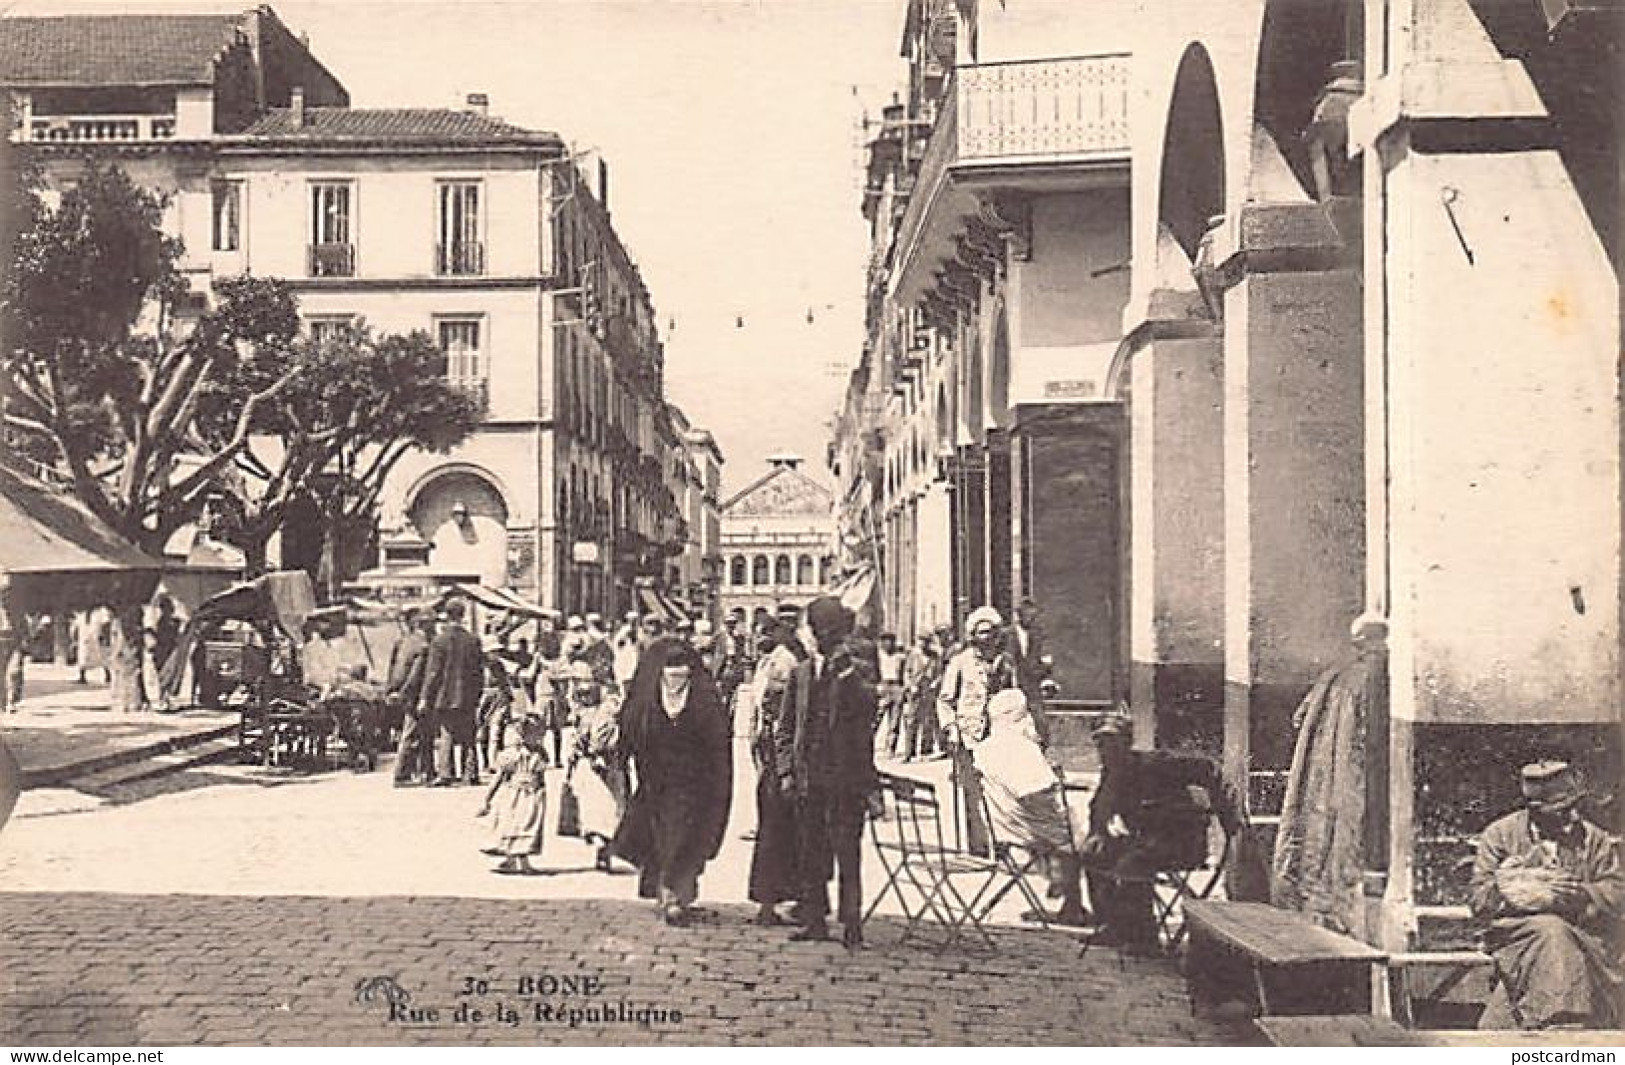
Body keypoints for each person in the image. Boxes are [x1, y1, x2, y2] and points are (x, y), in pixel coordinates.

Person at [1470, 761, 1623, 1030]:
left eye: (1572, 807)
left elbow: (1617, 891)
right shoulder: (1500, 835)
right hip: (1516, 933)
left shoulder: (1592, 838)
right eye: (1560, 811)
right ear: (1534, 809)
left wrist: (1583, 894)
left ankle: (1545, 1024)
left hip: (1582, 933)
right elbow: (1478, 901)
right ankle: (1562, 1023)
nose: (1571, 817)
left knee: (1557, 937)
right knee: (1551, 930)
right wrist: (1507, 887)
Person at [1272, 613, 1389, 935]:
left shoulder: (1339, 676)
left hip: (1335, 775)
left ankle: (1321, 901)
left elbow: (1301, 718)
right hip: (1351, 771)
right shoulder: (1363, 678)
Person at [1083, 715, 1234, 955]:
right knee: (1093, 855)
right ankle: (1113, 926)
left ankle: (1145, 939)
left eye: (1113, 742)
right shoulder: (1111, 774)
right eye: (1100, 744)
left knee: (1132, 864)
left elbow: (1208, 768)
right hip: (1144, 841)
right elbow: (1098, 810)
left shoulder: (1156, 764)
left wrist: (1223, 810)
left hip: (1179, 841)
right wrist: (1098, 834)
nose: (1106, 750)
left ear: (1127, 742)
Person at [611, 638, 733, 925]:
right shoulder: (646, 701)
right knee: (664, 837)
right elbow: (627, 735)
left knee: (687, 837)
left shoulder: (704, 699)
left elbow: (718, 745)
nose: (676, 677)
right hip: (656, 783)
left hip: (694, 784)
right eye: (670, 670)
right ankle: (669, 894)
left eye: (682, 670)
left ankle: (680, 893)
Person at [784, 597, 879, 949]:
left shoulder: (854, 671)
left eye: (811, 628)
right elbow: (787, 726)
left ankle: (852, 923)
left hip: (845, 781)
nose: (807, 635)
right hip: (810, 778)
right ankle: (814, 920)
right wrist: (786, 771)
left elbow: (867, 721)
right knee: (810, 851)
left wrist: (851, 677)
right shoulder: (802, 672)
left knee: (847, 854)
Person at [970, 689, 1091, 926]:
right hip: (1027, 826)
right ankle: (1075, 905)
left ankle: (1061, 885)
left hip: (1002, 823)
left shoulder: (985, 748)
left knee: (1073, 828)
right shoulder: (1022, 749)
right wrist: (1062, 809)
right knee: (1090, 835)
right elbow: (1036, 795)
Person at [746, 611, 808, 923]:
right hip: (776, 751)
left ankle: (784, 899)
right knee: (778, 825)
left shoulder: (784, 659)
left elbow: (777, 703)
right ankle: (773, 901)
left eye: (762, 631)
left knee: (783, 827)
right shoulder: (775, 658)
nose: (757, 637)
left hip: (782, 751)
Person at [937, 607, 1014, 855]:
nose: (987, 638)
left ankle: (1002, 845)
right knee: (972, 794)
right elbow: (945, 700)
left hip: (1000, 736)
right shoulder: (960, 662)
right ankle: (977, 847)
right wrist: (950, 728)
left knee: (1000, 792)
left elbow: (1016, 697)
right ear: (973, 635)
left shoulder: (1006, 662)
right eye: (981, 633)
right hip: (968, 735)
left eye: (991, 633)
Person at [564, 660, 627, 872]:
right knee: (606, 807)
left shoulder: (600, 708)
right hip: (605, 761)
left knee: (601, 807)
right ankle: (604, 847)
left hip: (597, 761)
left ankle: (603, 845)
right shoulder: (608, 705)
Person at [420, 599, 485, 787]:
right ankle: (470, 773)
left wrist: (425, 696)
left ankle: (445, 773)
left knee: (446, 733)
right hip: (468, 695)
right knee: (469, 736)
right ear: (463, 615)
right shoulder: (473, 640)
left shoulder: (439, 641)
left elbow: (433, 672)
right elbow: (478, 671)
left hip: (445, 695)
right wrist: (477, 693)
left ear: (446, 615)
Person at [477, 713, 550, 875]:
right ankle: (519, 861)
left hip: (533, 794)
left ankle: (513, 859)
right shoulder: (511, 755)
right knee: (515, 825)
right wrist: (487, 798)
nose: (539, 739)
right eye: (536, 735)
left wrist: (542, 792)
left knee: (529, 824)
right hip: (514, 794)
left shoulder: (540, 754)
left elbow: (541, 776)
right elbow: (499, 777)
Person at [389, 609, 437, 787]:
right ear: (424, 624)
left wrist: (393, 689)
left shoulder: (406, 641)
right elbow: (414, 674)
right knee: (412, 734)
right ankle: (401, 775)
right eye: (432, 623)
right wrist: (405, 693)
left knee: (423, 733)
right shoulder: (423, 645)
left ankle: (426, 772)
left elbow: (396, 668)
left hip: (410, 693)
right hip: (416, 694)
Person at [1003, 599, 1057, 743]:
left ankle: (1042, 754)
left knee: (1040, 722)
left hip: (1032, 685)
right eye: (1027, 616)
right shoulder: (1006, 634)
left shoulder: (1038, 634)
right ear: (1019, 615)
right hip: (1012, 685)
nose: (1031, 620)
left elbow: (1045, 658)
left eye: (1033, 617)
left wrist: (1046, 674)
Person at [874, 632, 905, 757]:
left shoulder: (900, 657)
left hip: (896, 686)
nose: (888, 644)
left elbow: (904, 673)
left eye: (890, 641)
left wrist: (903, 688)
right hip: (883, 686)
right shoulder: (878, 657)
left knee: (895, 720)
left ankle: (890, 748)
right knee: (876, 717)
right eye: (885, 641)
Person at [75, 606, 111, 685]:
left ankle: (108, 675)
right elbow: (77, 625)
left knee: (102, 656)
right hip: (85, 637)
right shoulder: (82, 613)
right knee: (83, 656)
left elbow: (106, 624)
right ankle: (82, 676)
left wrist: (105, 636)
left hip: (97, 636)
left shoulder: (101, 611)